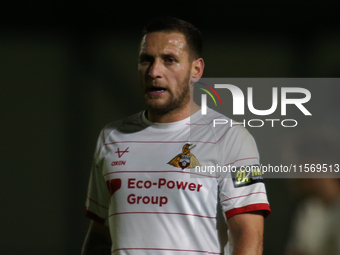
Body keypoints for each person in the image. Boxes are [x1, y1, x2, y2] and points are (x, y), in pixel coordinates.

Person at [81, 16, 271, 255]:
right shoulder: (111, 137)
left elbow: (249, 239)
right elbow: (100, 234)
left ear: (196, 69)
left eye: (169, 60)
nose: (154, 71)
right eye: (146, 60)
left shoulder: (233, 138)